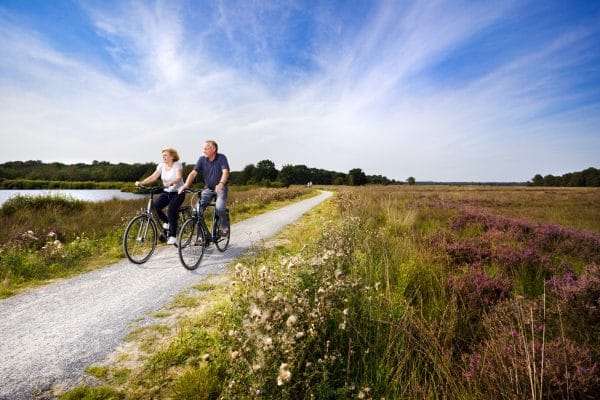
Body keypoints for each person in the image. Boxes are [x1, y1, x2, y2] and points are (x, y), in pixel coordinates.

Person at [179, 139, 230, 236]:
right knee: (198, 210)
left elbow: (225, 172)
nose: (204, 151)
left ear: (213, 149)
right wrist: (186, 185)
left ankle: (224, 227)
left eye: (206, 149)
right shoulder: (202, 159)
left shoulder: (221, 158)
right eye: (203, 149)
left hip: (221, 188)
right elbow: (193, 173)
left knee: (219, 207)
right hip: (208, 189)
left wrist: (221, 183)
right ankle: (201, 236)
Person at [135, 148, 185, 245]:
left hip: (178, 193)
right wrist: (141, 183)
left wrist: (171, 182)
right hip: (166, 192)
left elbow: (179, 177)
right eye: (163, 155)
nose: (163, 157)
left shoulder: (177, 165)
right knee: (155, 207)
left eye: (165, 155)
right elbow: (153, 177)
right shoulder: (161, 166)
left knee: (171, 210)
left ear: (172, 156)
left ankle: (173, 236)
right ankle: (167, 222)